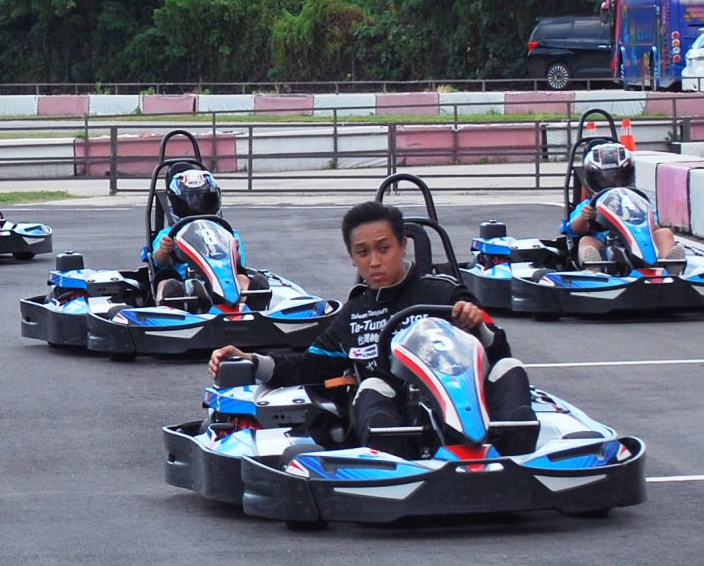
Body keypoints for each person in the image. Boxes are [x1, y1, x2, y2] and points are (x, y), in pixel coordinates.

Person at [209, 200, 536, 454]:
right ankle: (389, 455)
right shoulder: (354, 315)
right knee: (373, 386)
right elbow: (309, 365)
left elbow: (497, 350)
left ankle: (517, 446)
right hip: (400, 417)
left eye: (384, 248)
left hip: (463, 400)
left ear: (403, 246)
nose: (375, 261)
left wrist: (476, 326)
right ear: (353, 257)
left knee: (509, 367)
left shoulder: (444, 293)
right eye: (363, 253)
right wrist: (251, 360)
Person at [562, 140, 678, 268]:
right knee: (586, 241)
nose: (612, 184)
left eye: (618, 178)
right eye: (604, 180)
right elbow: (574, 230)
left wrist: (643, 219)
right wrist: (585, 218)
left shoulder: (639, 202)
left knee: (664, 233)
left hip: (640, 242)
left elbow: (655, 227)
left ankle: (669, 263)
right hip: (604, 247)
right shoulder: (588, 206)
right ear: (593, 180)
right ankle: (593, 269)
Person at [148, 167, 228, 303]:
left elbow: (238, 263)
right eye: (190, 198)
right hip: (181, 283)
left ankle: (252, 299)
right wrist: (164, 250)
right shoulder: (167, 234)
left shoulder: (224, 233)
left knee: (241, 276)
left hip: (221, 279)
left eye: (203, 199)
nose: (196, 204)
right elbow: (159, 263)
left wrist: (234, 250)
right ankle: (168, 307)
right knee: (165, 282)